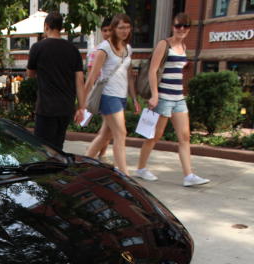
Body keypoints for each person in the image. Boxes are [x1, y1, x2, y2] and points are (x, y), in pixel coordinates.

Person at [135, 13, 210, 187]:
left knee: (184, 137)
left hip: (178, 98)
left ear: (189, 29)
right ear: (173, 26)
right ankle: (141, 168)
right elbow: (153, 71)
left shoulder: (183, 46)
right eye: (178, 26)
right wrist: (154, 95)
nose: (181, 29)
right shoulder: (164, 44)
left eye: (185, 26)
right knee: (155, 136)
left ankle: (188, 175)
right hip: (163, 98)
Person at [84, 14, 140, 175]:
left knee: (104, 136)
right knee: (121, 133)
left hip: (121, 96)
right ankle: (124, 174)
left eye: (127, 27)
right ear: (114, 29)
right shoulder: (104, 48)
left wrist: (134, 98)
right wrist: (81, 103)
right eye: (121, 27)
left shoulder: (128, 49)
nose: (125, 31)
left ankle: (84, 165)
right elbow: (92, 76)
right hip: (108, 96)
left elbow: (129, 75)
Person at [26, 11, 85, 151]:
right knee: (58, 147)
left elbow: (30, 74)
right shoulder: (73, 50)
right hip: (66, 107)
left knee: (41, 148)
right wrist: (81, 107)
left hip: (46, 107)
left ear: (46, 26)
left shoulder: (38, 47)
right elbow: (80, 81)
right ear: (61, 28)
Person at [85, 18, 113, 162]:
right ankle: (94, 157)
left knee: (109, 128)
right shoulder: (97, 51)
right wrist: (86, 97)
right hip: (102, 93)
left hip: (114, 93)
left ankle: (101, 154)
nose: (107, 33)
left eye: (109, 30)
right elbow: (91, 75)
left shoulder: (120, 50)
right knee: (109, 127)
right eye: (104, 30)